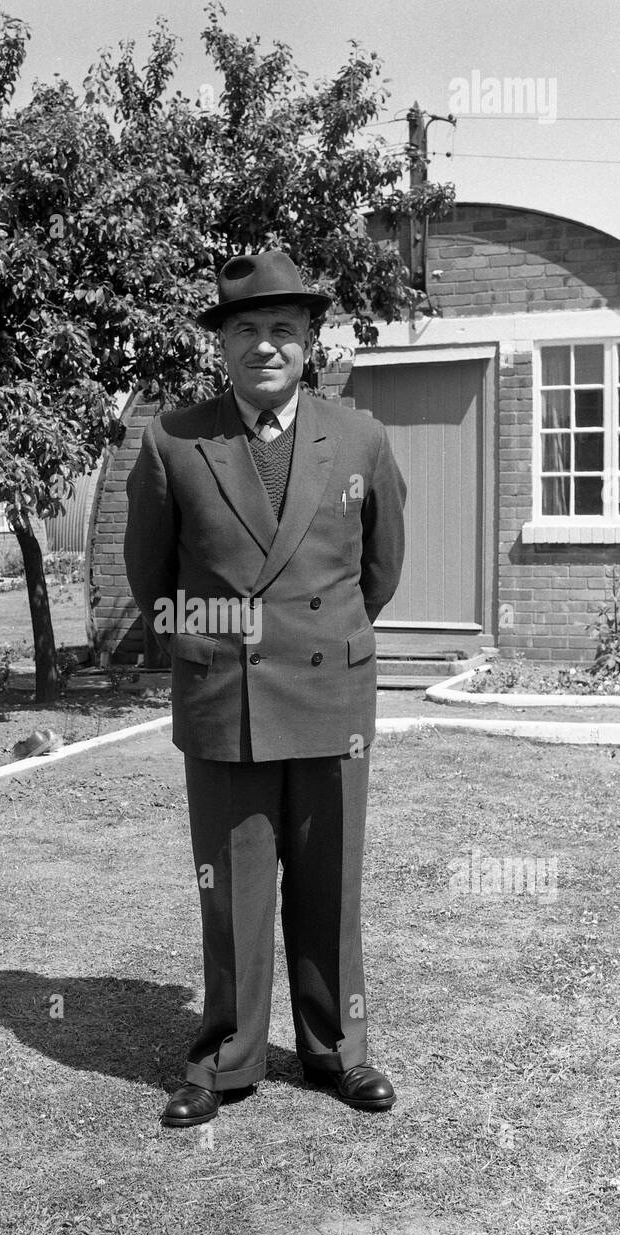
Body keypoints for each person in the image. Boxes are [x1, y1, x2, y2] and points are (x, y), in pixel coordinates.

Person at [123, 251, 408, 1127]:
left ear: (309, 341)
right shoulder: (175, 439)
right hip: (227, 704)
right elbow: (152, 583)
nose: (265, 346)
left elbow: (380, 569)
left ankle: (338, 1051)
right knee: (233, 891)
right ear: (223, 346)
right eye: (246, 329)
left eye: (283, 329)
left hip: (331, 702)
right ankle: (227, 1055)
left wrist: (315, 634)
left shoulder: (358, 437)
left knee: (332, 887)